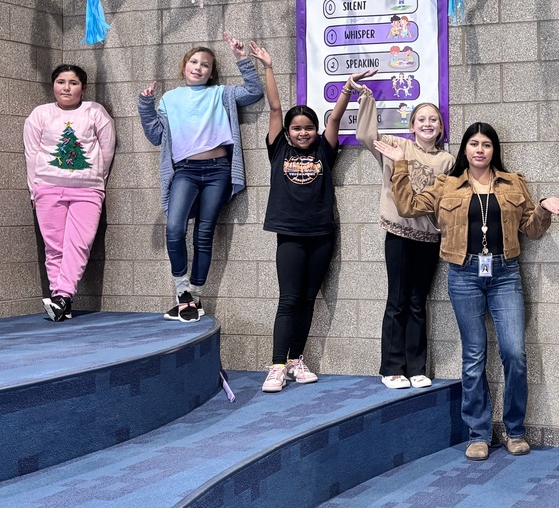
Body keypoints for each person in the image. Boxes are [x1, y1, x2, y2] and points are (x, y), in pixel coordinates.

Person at [374, 123, 559, 461]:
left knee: (514, 354)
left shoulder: (513, 183)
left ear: (495, 150)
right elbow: (408, 207)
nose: (480, 150)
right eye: (474, 144)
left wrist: (543, 207)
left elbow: (532, 230)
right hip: (463, 273)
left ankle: (515, 430)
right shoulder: (447, 185)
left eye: (487, 145)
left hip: (505, 273)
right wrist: (399, 165)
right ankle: (478, 433)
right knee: (474, 355)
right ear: (465, 149)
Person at [258, 50, 375, 393]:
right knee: (289, 299)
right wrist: (269, 67)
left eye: (309, 127)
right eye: (297, 129)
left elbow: (335, 120)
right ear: (288, 133)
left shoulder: (324, 149)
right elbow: (276, 108)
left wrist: (348, 89)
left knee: (308, 300)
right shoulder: (278, 149)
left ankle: (296, 360)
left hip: (322, 234)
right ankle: (277, 365)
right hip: (290, 235)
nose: (304, 133)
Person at [138, 32, 264, 322]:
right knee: (174, 228)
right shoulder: (170, 98)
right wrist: (146, 105)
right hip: (186, 172)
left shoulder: (220, 93)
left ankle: (193, 297)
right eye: (194, 62)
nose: (199, 67)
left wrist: (242, 58)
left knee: (204, 234)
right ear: (184, 67)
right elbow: (156, 135)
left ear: (211, 72)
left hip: (218, 171)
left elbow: (253, 91)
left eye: (205, 64)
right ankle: (182, 291)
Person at [356, 85, 454, 390]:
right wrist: (367, 99)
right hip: (398, 235)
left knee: (417, 302)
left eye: (434, 120)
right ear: (412, 126)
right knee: (397, 300)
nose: (428, 124)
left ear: (440, 128)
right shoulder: (397, 145)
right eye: (422, 119)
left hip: (428, 239)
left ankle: (417, 367)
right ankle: (392, 367)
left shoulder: (448, 161)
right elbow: (365, 136)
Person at [24, 64, 115, 322]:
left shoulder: (95, 112)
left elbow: (106, 151)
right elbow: (31, 154)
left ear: (82, 88)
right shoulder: (40, 115)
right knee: (54, 247)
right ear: (53, 85)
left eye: (73, 83)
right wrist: (34, 189)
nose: (66, 87)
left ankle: (62, 296)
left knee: (79, 244)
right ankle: (61, 302)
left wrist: (97, 180)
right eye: (61, 82)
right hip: (47, 188)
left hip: (87, 190)